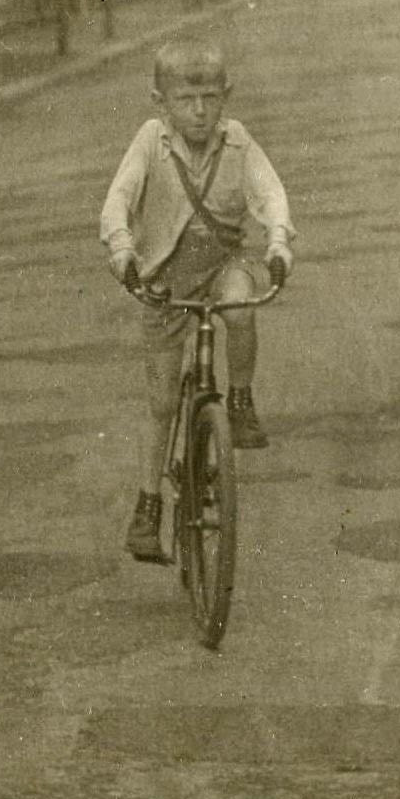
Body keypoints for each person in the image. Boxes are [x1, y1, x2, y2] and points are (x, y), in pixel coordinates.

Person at [100, 38, 295, 562]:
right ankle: (148, 508)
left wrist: (278, 242)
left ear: (225, 96)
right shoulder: (151, 142)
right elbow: (118, 199)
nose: (200, 111)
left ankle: (241, 401)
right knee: (162, 403)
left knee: (241, 306)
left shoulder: (238, 143)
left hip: (222, 266)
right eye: (185, 101)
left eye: (210, 98)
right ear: (160, 102)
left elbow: (270, 192)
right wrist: (122, 251)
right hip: (164, 280)